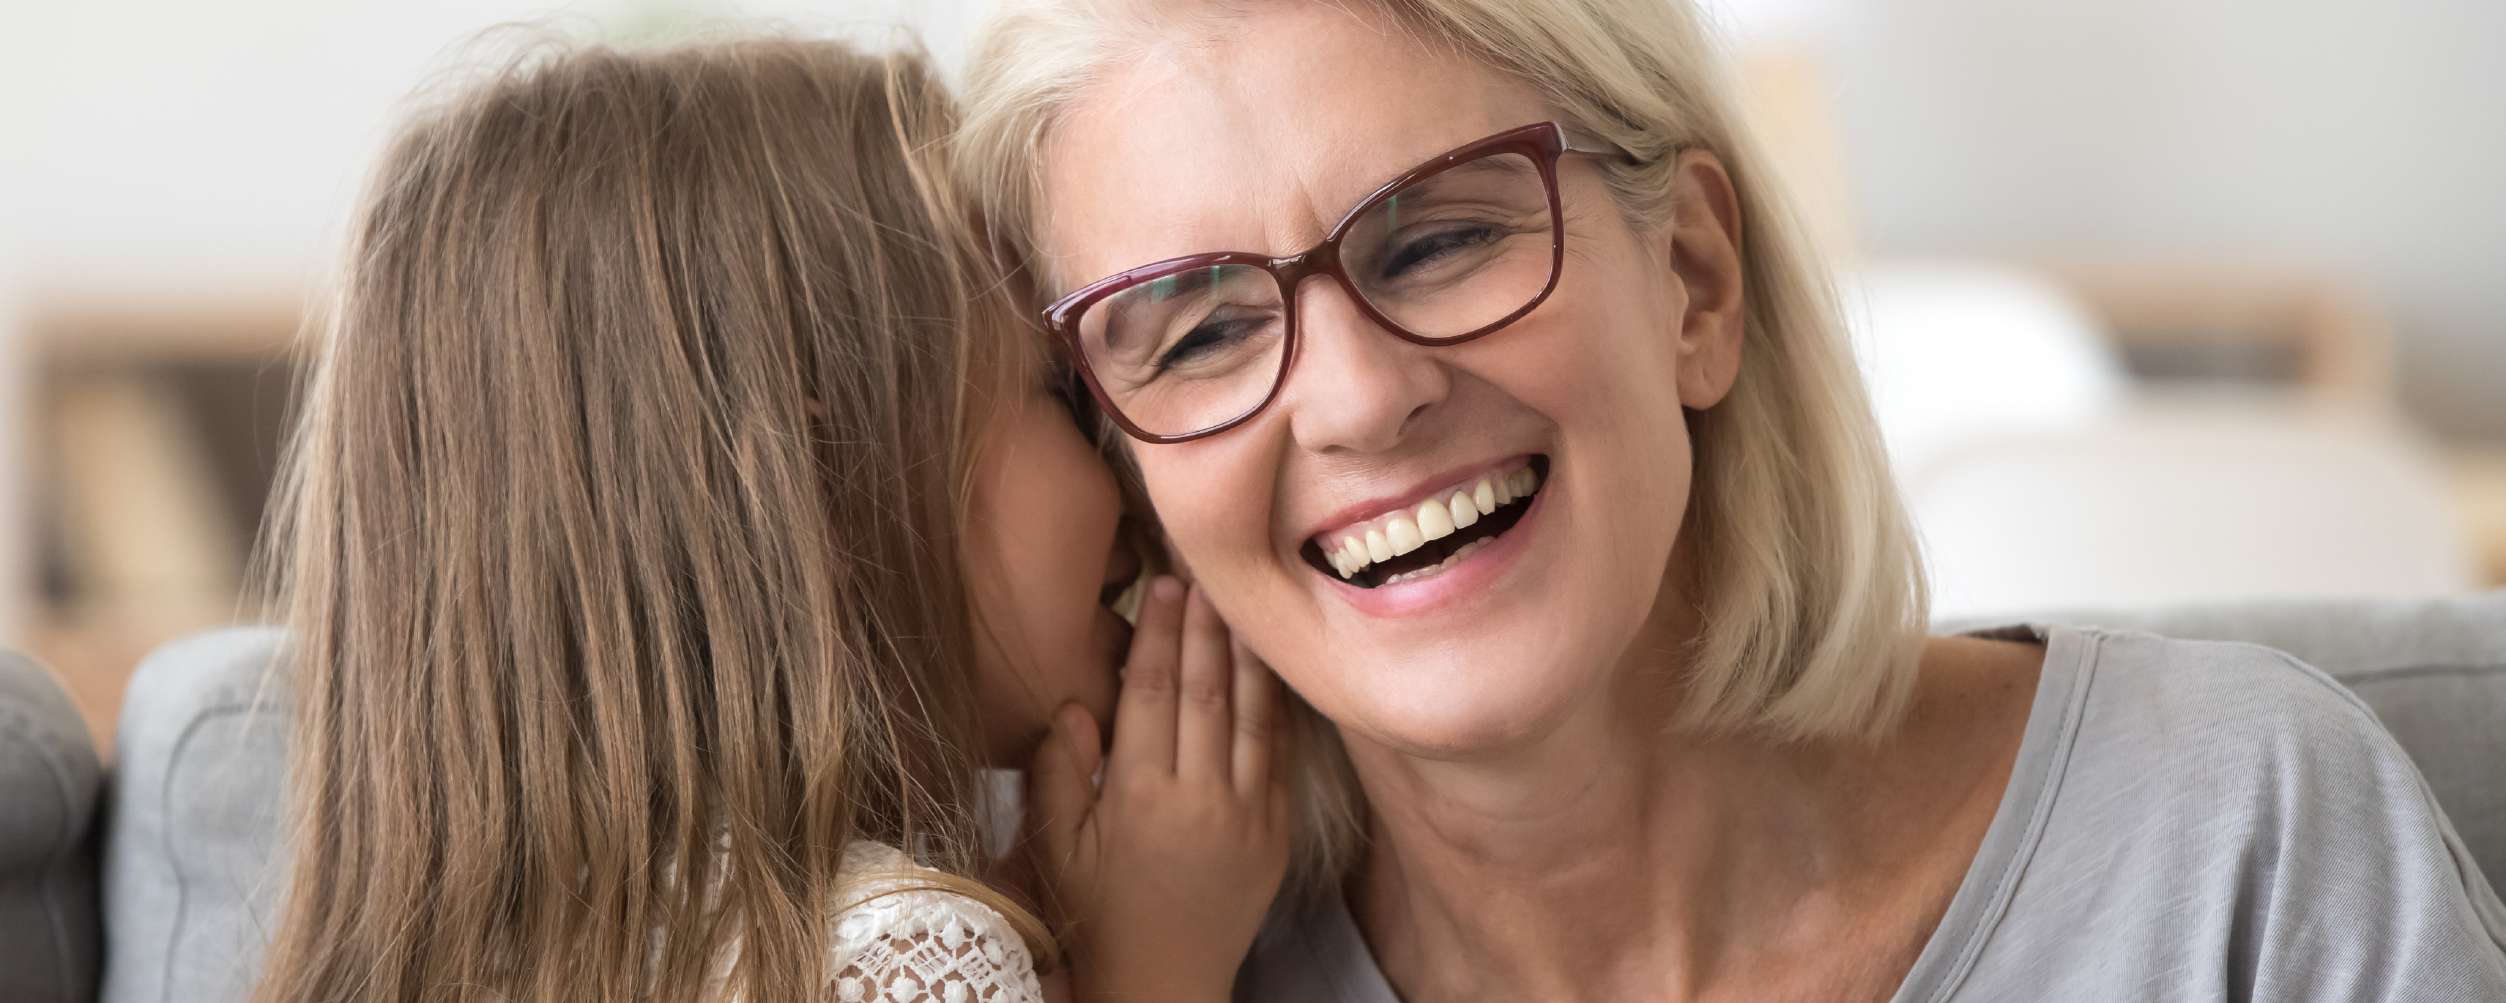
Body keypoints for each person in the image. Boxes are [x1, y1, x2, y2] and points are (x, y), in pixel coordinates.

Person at [954, 0, 2506, 998]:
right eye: (1204, 329)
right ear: (1131, 473)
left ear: (1693, 278)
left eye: (1438, 242)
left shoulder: (2240, 823)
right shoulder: (1096, 952)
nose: (1360, 396)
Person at [253, 36, 1286, 1003]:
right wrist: (1155, 969)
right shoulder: (904, 954)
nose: (1132, 476)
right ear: (832, 481)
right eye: (1056, 394)